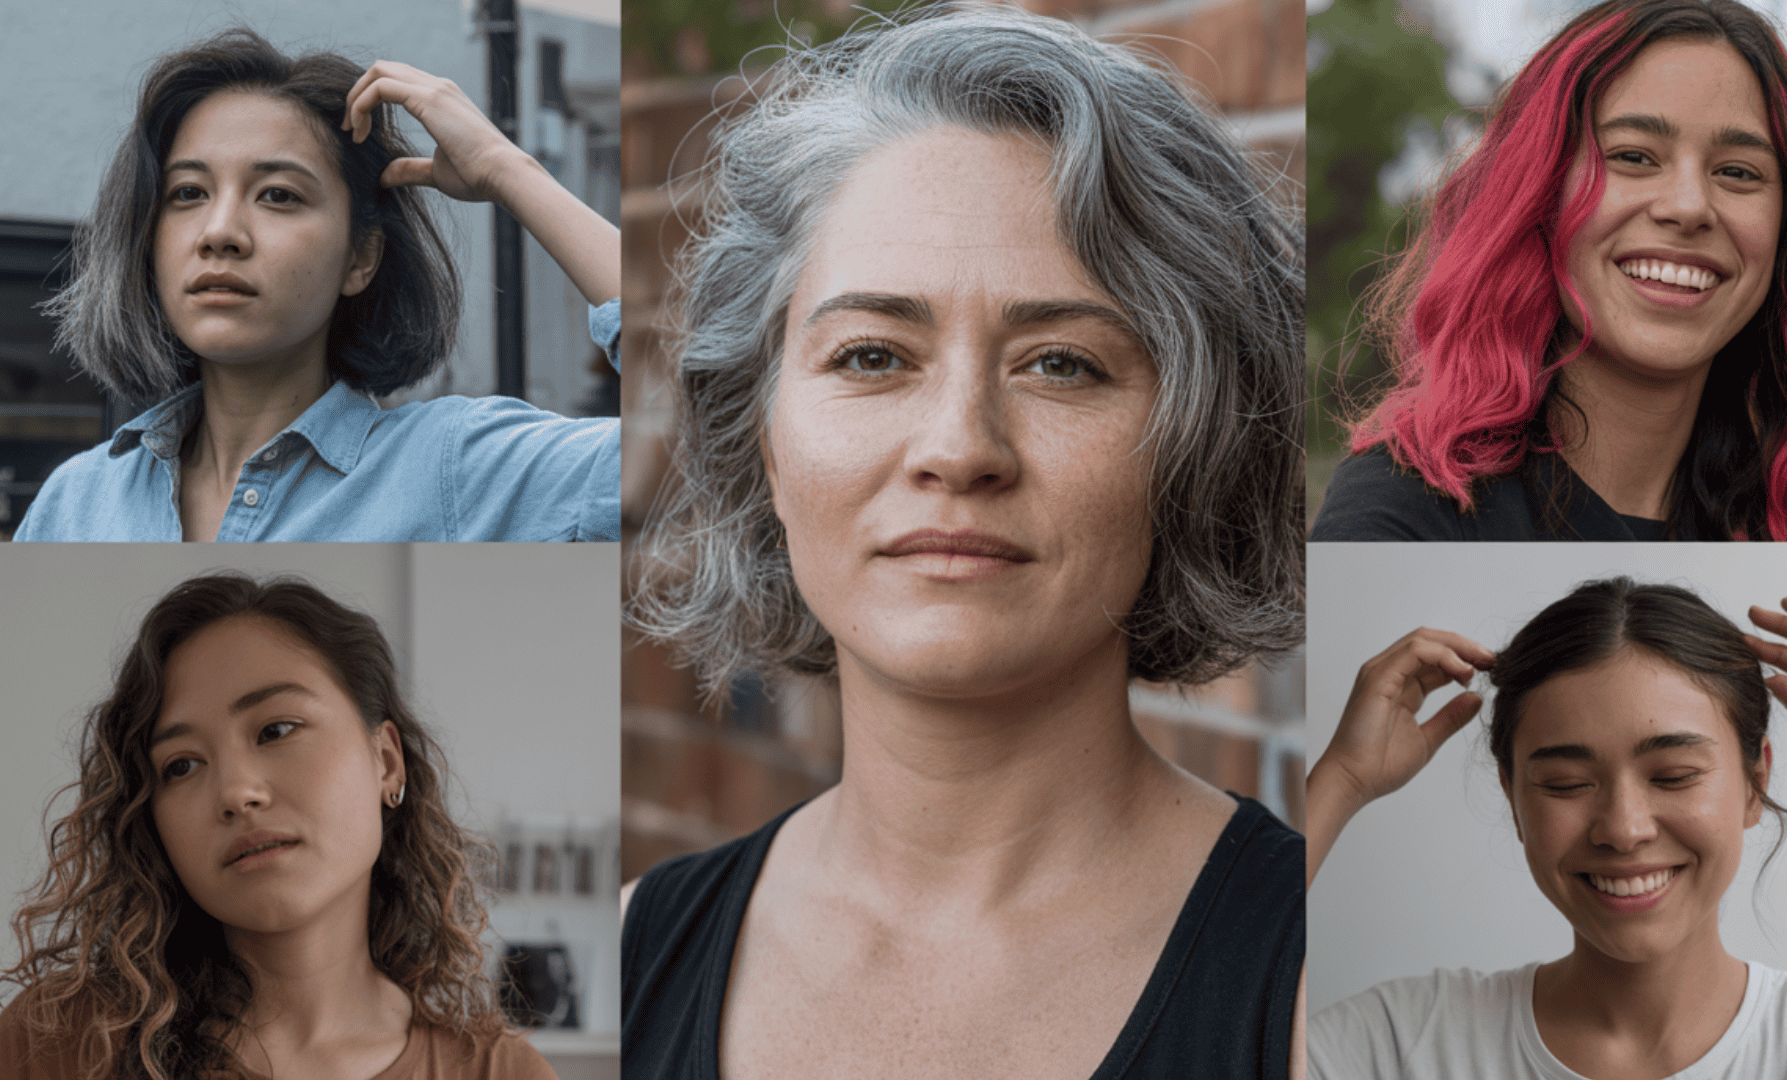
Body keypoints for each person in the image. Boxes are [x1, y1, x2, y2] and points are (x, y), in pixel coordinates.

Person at [623, 5, 1305, 1078]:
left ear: (1194, 443)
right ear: (760, 434)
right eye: (869, 356)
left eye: (1063, 364)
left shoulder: (1327, 989)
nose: (959, 448)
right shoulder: (624, 959)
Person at [1310, 0, 1787, 542]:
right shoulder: (1402, 514)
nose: (1688, 206)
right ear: (1537, 198)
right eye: (1632, 157)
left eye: (1739, 172)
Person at [15, 28, 620, 542]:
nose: (220, 232)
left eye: (278, 195)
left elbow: (705, 436)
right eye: (188, 194)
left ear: (361, 257)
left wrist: (508, 170)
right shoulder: (74, 505)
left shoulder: (455, 471)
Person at [1304, 574, 1787, 1078]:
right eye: (1567, 784)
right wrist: (1339, 782)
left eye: (1673, 775)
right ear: (1513, 798)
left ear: (1754, 782)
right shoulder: (1394, 1048)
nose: (1623, 830)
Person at [0, 573, 556, 1078]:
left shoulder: (502, 1071)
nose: (237, 794)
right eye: (182, 765)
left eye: (276, 730)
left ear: (386, 761)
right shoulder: (60, 1043)